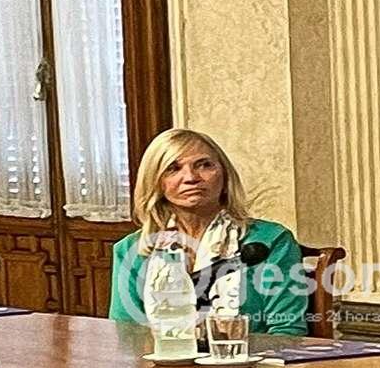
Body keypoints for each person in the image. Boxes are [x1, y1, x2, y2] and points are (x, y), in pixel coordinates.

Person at [109, 128, 308, 336]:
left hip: (252, 357)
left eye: (204, 165)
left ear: (225, 176)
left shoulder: (270, 240)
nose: (191, 177)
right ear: (155, 183)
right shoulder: (131, 249)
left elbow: (287, 332)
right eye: (173, 169)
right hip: (160, 357)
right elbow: (126, 335)